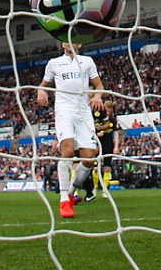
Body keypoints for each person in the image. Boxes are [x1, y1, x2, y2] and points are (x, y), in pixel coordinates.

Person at [37, 42, 104, 219]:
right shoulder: (54, 63)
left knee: (90, 157)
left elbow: (99, 86)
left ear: (79, 44)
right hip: (64, 110)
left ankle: (71, 192)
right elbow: (43, 84)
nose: (69, 43)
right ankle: (64, 201)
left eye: (72, 40)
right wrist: (41, 92)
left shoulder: (87, 61)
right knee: (67, 150)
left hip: (83, 112)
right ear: (62, 44)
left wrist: (97, 96)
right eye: (65, 40)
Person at [95, 100, 120, 197]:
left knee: (107, 168)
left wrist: (116, 146)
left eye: (110, 112)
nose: (108, 113)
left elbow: (116, 132)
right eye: (107, 111)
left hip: (108, 144)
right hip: (98, 144)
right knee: (95, 168)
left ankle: (105, 190)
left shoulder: (113, 120)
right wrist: (98, 134)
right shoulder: (99, 118)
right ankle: (95, 188)